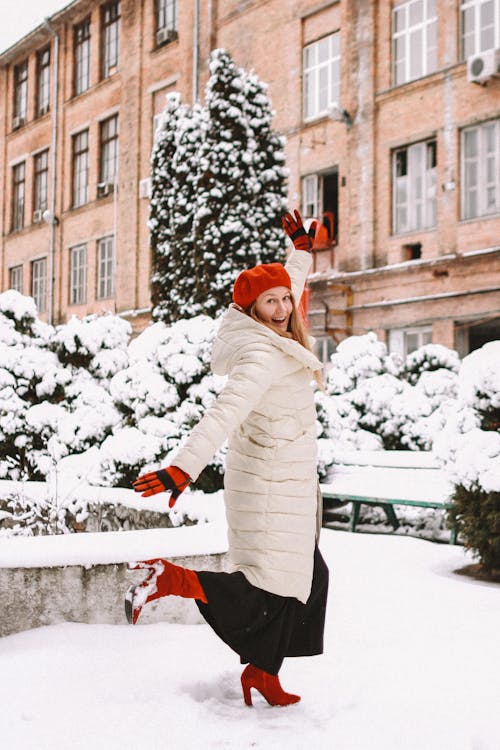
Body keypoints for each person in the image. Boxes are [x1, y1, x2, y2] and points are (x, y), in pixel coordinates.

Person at [127, 210, 329, 708]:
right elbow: (224, 412)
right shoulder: (260, 356)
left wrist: (301, 249)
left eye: (285, 299)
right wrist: (183, 467)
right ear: (252, 308)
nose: (283, 307)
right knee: (270, 586)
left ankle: (262, 672)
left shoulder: (277, 328)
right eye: (271, 301)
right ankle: (167, 578)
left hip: (288, 481)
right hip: (267, 485)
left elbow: (292, 279)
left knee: (311, 577)